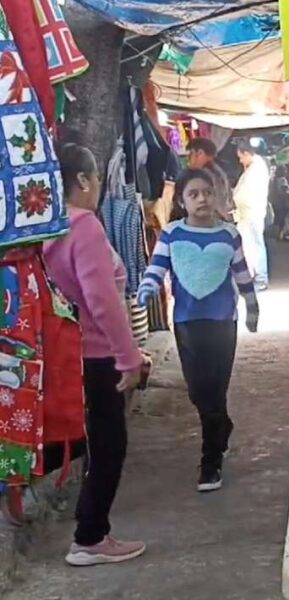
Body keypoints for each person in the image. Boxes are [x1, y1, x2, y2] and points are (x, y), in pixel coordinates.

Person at [42, 143, 146, 566]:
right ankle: (90, 537)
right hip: (96, 354)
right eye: (97, 177)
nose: (100, 186)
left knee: (88, 440)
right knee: (108, 445)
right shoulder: (82, 225)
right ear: (82, 180)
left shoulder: (43, 226)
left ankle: (89, 530)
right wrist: (129, 357)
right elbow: (101, 300)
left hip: (65, 352)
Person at [137, 169, 260, 492]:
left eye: (207, 192)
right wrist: (146, 288)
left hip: (222, 321)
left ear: (216, 195)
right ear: (181, 200)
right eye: (194, 194)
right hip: (186, 323)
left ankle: (210, 461)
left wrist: (253, 307)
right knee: (197, 390)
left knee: (215, 389)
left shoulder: (228, 234)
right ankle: (223, 427)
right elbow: (157, 267)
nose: (202, 199)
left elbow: (242, 272)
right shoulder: (172, 234)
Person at [233, 141, 271, 290]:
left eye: (241, 157)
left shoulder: (257, 169)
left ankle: (261, 278)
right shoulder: (253, 168)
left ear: (247, 154)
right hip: (248, 214)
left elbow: (248, 193)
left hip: (252, 213)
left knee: (256, 245)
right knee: (251, 245)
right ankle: (255, 276)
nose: (240, 161)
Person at [187, 137, 234, 222]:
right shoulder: (218, 171)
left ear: (200, 153)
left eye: (191, 154)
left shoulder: (206, 175)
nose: (188, 159)